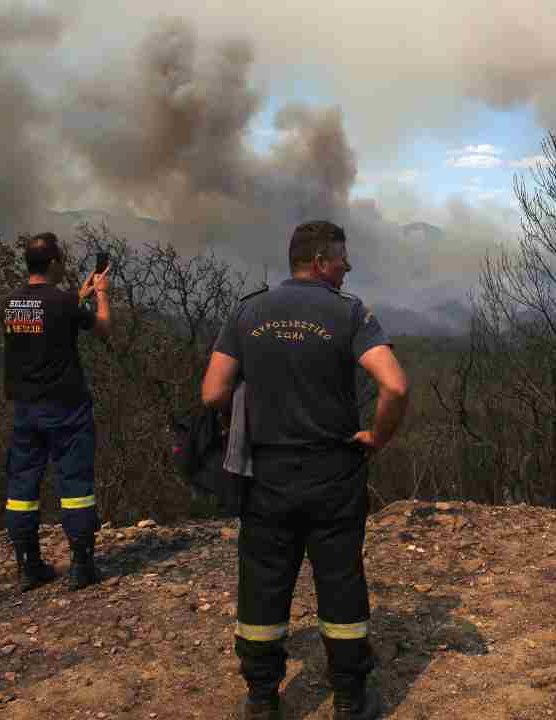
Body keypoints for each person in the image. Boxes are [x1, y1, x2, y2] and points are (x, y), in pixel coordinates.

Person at [202, 220, 408, 720]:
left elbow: (212, 393)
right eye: (342, 259)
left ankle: (261, 698)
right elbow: (395, 387)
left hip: (266, 474)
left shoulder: (248, 311)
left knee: (263, 580)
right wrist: (377, 438)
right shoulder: (350, 313)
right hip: (332, 472)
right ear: (319, 261)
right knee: (340, 580)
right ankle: (349, 698)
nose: (348, 267)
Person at [2, 232, 111, 593]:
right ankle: (82, 566)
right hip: (66, 408)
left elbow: (43, 320)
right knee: (75, 484)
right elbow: (103, 328)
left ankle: (28, 566)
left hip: (25, 409)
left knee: (21, 487)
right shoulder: (63, 303)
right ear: (52, 263)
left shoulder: (11, 303)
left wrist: (75, 298)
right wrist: (101, 294)